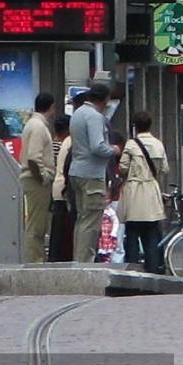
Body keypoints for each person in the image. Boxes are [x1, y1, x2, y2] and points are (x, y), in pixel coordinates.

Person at [68, 82, 115, 262]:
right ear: (105, 100)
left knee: (82, 218)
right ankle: (85, 261)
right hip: (92, 174)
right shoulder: (95, 117)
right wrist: (113, 150)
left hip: (76, 171)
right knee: (92, 221)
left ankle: (78, 259)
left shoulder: (77, 114)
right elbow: (98, 146)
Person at [118, 110, 169, 272]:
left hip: (134, 191)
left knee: (132, 233)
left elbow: (123, 168)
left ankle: (133, 269)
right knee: (152, 233)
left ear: (135, 126)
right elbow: (165, 168)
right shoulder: (158, 144)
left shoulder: (131, 145)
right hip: (151, 190)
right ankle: (153, 268)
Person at [20, 92, 57, 263]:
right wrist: (43, 177)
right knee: (37, 225)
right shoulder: (38, 127)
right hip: (36, 181)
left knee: (37, 223)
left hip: (32, 179)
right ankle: (34, 260)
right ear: (51, 106)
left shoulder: (32, 124)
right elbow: (34, 158)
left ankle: (35, 258)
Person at [47, 113, 75, 263]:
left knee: (57, 228)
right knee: (64, 229)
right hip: (65, 188)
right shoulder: (71, 142)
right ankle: (61, 259)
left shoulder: (57, 144)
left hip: (56, 186)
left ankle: (53, 258)